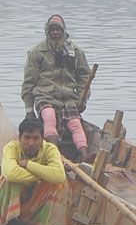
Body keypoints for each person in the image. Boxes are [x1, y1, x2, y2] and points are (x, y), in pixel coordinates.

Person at [22, 14, 92, 160]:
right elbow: (29, 82)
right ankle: (55, 154)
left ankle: (84, 155)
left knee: (75, 124)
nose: (55, 33)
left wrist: (82, 99)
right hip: (45, 96)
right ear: (47, 31)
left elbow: (84, 78)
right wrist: (29, 110)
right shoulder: (37, 52)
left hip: (68, 99)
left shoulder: (75, 52)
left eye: (58, 30)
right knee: (49, 118)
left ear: (63, 31)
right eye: (52, 30)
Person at [0, 117, 67, 225]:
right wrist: (41, 176)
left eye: (35, 138)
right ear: (20, 138)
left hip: (34, 198)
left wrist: (29, 165)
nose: (31, 142)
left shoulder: (50, 149)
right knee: (11, 181)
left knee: (54, 183)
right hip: (10, 197)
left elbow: (60, 176)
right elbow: (11, 173)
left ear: (42, 139)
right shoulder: (11, 148)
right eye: (27, 137)